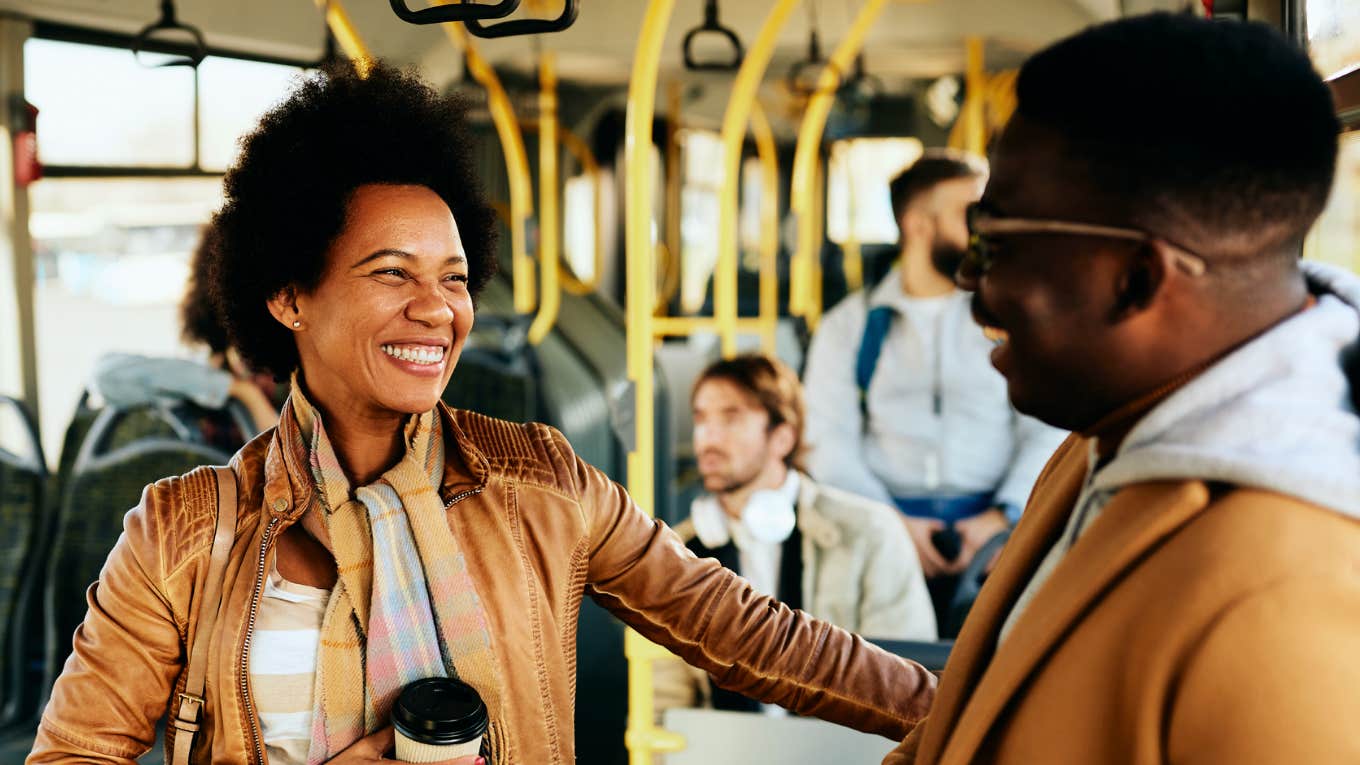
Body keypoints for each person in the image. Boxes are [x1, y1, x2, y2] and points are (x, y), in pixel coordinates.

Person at [27, 62, 936, 765]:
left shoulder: (540, 480)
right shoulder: (182, 534)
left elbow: (746, 631)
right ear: (289, 293)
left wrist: (956, 703)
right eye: (392, 273)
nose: (437, 310)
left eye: (454, 278)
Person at [886, 13, 1360, 765]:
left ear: (1136, 278)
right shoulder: (1103, 440)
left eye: (993, 241)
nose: (969, 280)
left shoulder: (1289, 603)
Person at [802, 151, 1066, 627]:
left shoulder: (1011, 320)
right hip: (880, 533)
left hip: (999, 531)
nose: (987, 227)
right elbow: (828, 438)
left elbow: (1047, 421)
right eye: (972, 214)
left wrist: (1005, 517)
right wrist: (889, 525)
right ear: (918, 225)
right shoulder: (850, 327)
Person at [655, 354, 936, 715]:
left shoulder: (869, 532)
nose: (707, 438)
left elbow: (904, 686)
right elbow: (662, 705)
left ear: (782, 437)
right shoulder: (677, 555)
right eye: (701, 419)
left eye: (730, 418)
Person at [91, 225, 282, 449]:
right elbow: (106, 374)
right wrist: (237, 389)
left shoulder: (294, 383)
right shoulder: (195, 374)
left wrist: (253, 400)